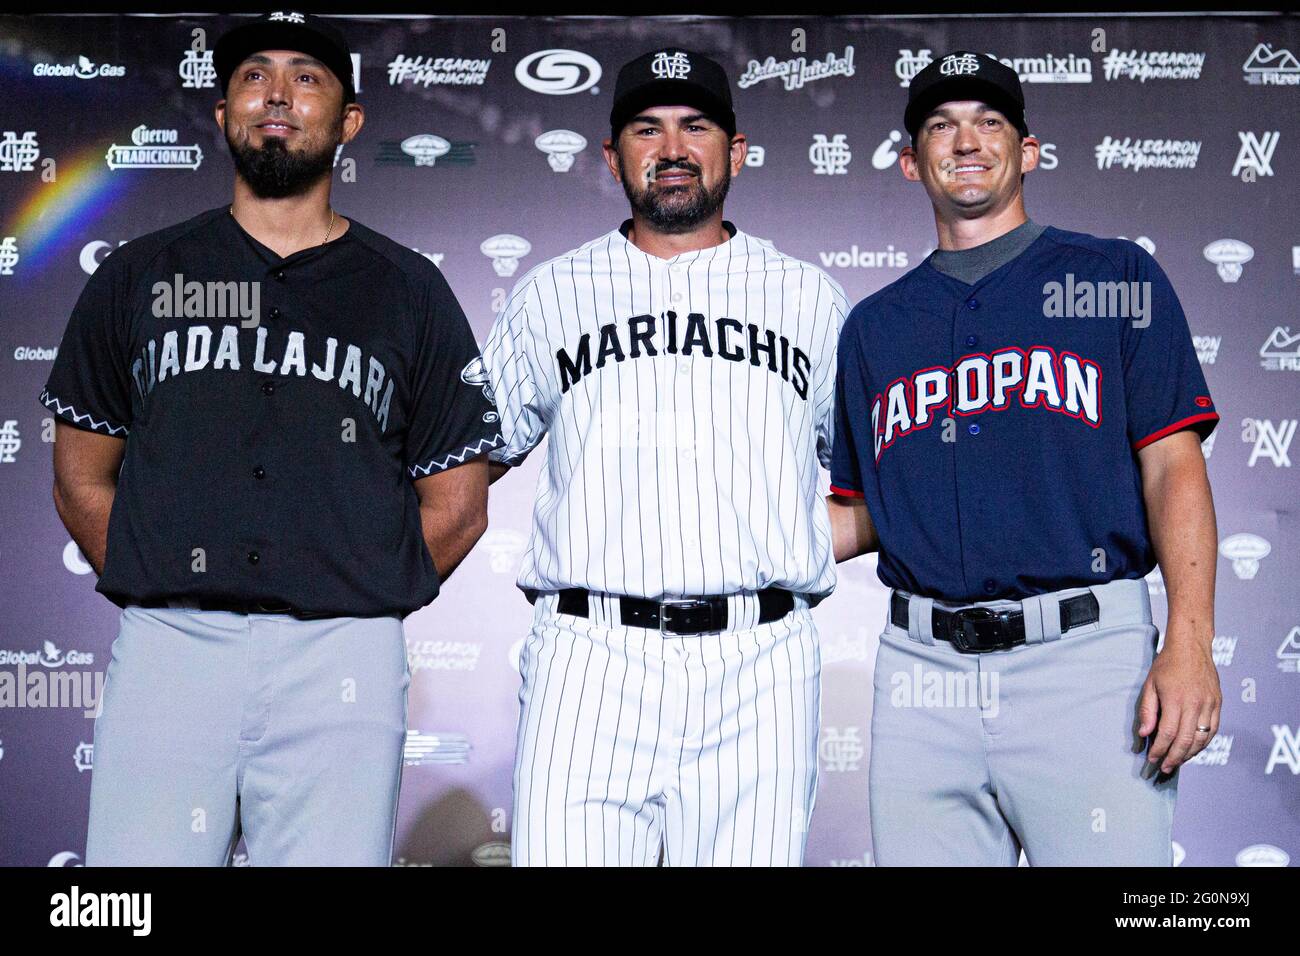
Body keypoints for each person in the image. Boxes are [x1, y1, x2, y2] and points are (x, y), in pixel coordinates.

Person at [41, 11, 499, 866]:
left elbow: (460, 503)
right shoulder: (139, 276)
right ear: (223, 112)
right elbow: (79, 475)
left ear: (349, 121)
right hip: (169, 650)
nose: (277, 95)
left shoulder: (408, 291)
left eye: (307, 77)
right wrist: (156, 576)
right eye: (254, 76)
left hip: (341, 656)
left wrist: (352, 597)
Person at [828, 51, 1221, 866]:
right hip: (920, 672)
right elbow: (864, 514)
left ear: (1028, 151)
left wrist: (1189, 640)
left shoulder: (1113, 276)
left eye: (989, 121)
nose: (966, 140)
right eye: (941, 125)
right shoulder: (873, 326)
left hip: (1085, 664)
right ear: (911, 162)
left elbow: (1172, 467)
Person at [482, 48, 848, 866]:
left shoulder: (810, 298)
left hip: (761, 660)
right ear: (612, 157)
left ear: (737, 150)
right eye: (647, 128)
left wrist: (788, 539)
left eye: (695, 126)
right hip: (591, 656)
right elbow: (470, 456)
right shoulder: (550, 294)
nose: (672, 148)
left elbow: (875, 482)